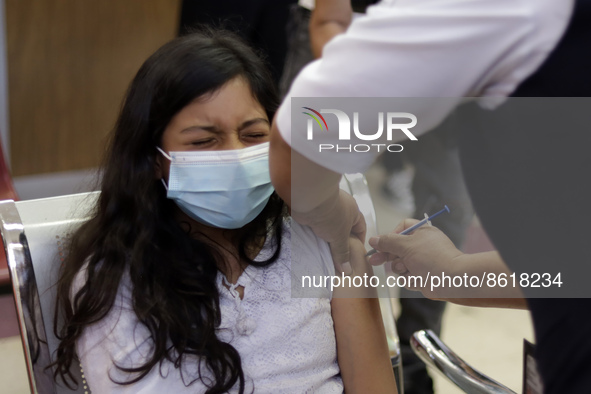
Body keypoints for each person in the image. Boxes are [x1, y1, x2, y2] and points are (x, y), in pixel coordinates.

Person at [268, 0, 591, 392]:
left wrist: (328, 211)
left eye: (252, 133)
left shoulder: (512, 13)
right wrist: (456, 272)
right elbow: (570, 267)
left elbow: (301, 136)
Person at [51, 30, 396, 393]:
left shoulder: (325, 244)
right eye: (203, 141)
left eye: (253, 136)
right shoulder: (118, 280)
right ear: (154, 159)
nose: (234, 157)